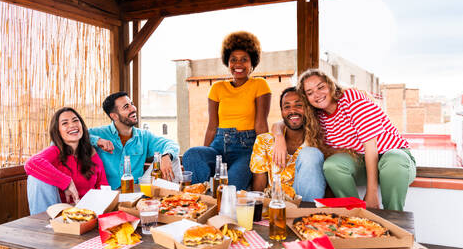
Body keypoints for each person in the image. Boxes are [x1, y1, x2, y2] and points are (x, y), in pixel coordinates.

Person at [273, 69, 416, 211]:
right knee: (332, 165)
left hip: (393, 160)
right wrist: (279, 137)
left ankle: (394, 216)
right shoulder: (317, 115)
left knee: (394, 160)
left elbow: (371, 147)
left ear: (330, 85)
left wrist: (371, 193)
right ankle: (355, 214)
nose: (317, 94)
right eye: (310, 93)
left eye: (321, 87)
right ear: (306, 99)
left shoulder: (351, 98)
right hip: (361, 163)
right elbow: (283, 121)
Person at [182, 31, 271, 190]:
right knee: (192, 154)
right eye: (233, 60)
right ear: (227, 62)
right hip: (218, 146)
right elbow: (212, 126)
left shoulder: (260, 85)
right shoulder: (217, 88)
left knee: (230, 189)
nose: (238, 64)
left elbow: (261, 125)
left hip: (246, 149)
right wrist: (204, 155)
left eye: (244, 59)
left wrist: (264, 157)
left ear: (252, 63)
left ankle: (216, 196)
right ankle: (200, 197)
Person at [89, 92, 181, 189]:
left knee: (173, 157)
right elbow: (78, 136)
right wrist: (97, 141)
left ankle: (174, 199)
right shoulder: (100, 133)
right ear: (114, 116)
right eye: (126, 107)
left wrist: (166, 156)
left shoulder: (144, 136)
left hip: (137, 190)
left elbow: (171, 144)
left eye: (132, 104)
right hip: (109, 192)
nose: (133, 109)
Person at [25, 107, 108, 215]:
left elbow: (103, 186)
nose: (72, 125)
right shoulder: (55, 151)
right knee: (35, 178)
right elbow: (30, 164)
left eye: (75, 120)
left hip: (89, 212)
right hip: (61, 213)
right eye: (65, 123)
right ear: (58, 131)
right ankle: (41, 223)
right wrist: (66, 182)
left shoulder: (91, 153)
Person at [250, 87, 326, 201]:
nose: (292, 111)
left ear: (308, 108)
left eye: (299, 105)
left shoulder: (317, 143)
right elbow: (259, 186)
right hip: (274, 205)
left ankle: (307, 214)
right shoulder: (264, 142)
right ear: (282, 112)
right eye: (287, 107)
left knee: (311, 154)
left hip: (303, 203)